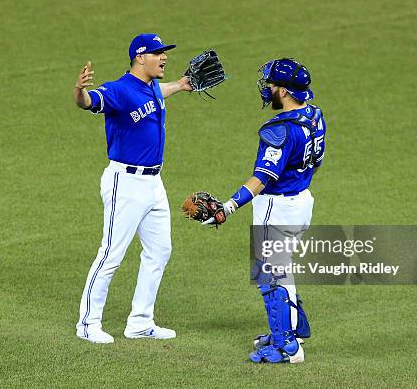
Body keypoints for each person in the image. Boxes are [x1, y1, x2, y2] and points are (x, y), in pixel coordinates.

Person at [73, 33, 192, 344]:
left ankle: (140, 322)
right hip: (124, 182)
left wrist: (179, 85)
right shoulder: (119, 90)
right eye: (158, 53)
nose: (164, 57)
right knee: (111, 253)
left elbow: (155, 95)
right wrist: (80, 90)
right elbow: (90, 102)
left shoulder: (150, 86)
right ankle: (88, 324)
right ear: (141, 57)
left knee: (159, 250)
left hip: (154, 183)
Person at [209, 58, 327, 363]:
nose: (268, 89)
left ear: (284, 91)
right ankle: (292, 328)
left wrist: (229, 205)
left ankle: (287, 347)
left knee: (270, 275)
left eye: (272, 85)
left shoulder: (280, 130)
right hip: (302, 201)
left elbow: (263, 177)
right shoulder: (314, 116)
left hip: (278, 206)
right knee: (282, 267)